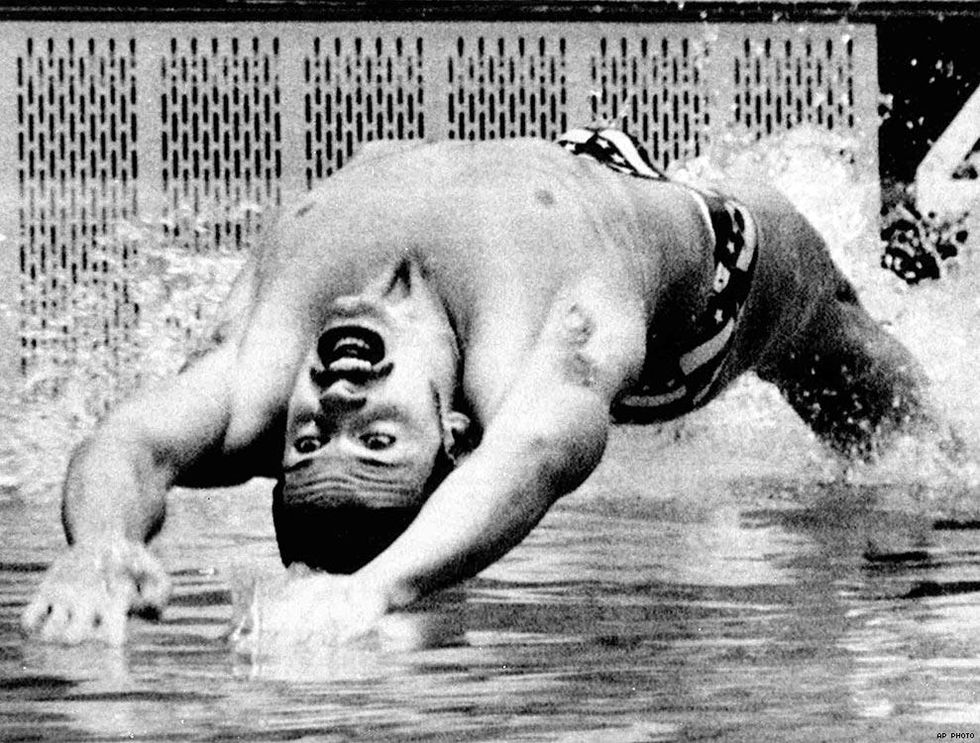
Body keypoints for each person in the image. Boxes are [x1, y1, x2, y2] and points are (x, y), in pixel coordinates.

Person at [21, 128, 949, 647]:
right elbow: (541, 448)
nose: (337, 409)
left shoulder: (264, 370)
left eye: (310, 444)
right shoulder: (529, 344)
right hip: (713, 287)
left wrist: (98, 543)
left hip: (569, 169)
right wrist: (379, 591)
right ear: (455, 431)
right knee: (912, 452)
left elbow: (127, 443)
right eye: (378, 442)